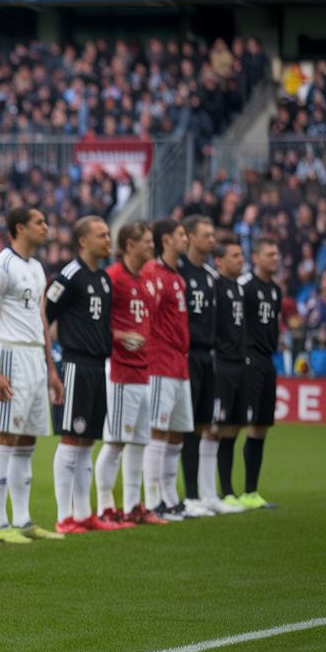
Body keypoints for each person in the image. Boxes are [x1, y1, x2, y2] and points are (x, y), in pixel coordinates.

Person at [0, 207, 65, 543]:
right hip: (11, 354)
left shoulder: (36, 267)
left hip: (34, 357)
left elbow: (41, 319)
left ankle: (23, 518)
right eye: (39, 223)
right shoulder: (2, 265)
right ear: (20, 228)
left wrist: (51, 368)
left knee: (27, 440)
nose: (46, 227)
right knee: (5, 437)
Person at [45, 216, 123, 532]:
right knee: (70, 438)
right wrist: (54, 361)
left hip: (97, 366)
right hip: (75, 364)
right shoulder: (69, 275)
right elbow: (45, 314)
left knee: (87, 441)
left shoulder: (103, 278)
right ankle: (65, 517)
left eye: (108, 234)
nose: (108, 240)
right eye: (102, 235)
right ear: (83, 241)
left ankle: (84, 513)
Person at [94, 222, 166, 526]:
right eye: (146, 241)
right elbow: (96, 323)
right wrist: (121, 336)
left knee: (139, 441)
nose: (152, 246)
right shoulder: (112, 278)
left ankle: (134, 506)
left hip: (143, 370)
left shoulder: (146, 279)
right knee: (115, 441)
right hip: (120, 370)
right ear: (129, 245)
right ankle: (105, 507)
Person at [140, 219, 193, 522]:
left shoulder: (178, 277)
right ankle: (153, 501)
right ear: (166, 240)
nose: (186, 239)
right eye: (182, 235)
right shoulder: (152, 273)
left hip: (180, 363)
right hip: (160, 363)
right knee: (158, 432)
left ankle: (170, 498)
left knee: (176, 434)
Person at [178, 216, 230, 517]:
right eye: (207, 236)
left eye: (213, 235)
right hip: (185, 355)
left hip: (207, 356)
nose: (212, 240)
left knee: (201, 424)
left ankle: (199, 494)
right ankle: (187, 496)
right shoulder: (180, 271)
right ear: (190, 237)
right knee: (183, 426)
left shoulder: (211, 276)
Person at [235, 237, 282, 509]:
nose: (275, 258)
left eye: (276, 254)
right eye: (270, 254)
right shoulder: (244, 286)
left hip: (267, 361)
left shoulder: (275, 290)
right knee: (231, 425)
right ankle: (222, 492)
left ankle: (251, 492)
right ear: (256, 258)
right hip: (247, 361)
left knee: (260, 427)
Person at [209, 233, 251, 512]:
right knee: (216, 429)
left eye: (241, 255)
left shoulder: (239, 289)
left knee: (234, 428)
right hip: (221, 363)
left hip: (240, 363)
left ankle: (227, 490)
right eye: (235, 256)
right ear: (219, 260)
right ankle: (216, 490)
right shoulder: (215, 287)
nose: (241, 260)